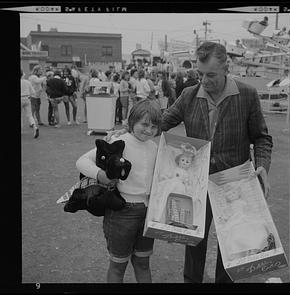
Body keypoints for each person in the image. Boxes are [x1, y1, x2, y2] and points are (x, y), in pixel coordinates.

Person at [105, 41, 273, 283]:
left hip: (234, 182)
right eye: (200, 74)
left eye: (211, 75)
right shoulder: (189, 95)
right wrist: (126, 132)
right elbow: (159, 122)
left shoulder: (247, 94)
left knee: (232, 242)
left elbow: (261, 137)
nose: (204, 80)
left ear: (227, 67)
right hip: (197, 183)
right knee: (194, 240)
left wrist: (262, 166)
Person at [76, 99, 162, 283]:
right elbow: (82, 161)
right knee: (118, 265)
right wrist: (101, 175)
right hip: (122, 212)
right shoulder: (119, 141)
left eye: (154, 126)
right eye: (144, 124)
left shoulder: (154, 146)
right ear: (132, 122)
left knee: (143, 263)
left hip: (148, 213)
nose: (149, 130)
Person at [20, 69, 39, 138]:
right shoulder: (27, 82)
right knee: (30, 115)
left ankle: (21, 130)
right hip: (27, 98)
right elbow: (33, 92)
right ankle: (35, 127)